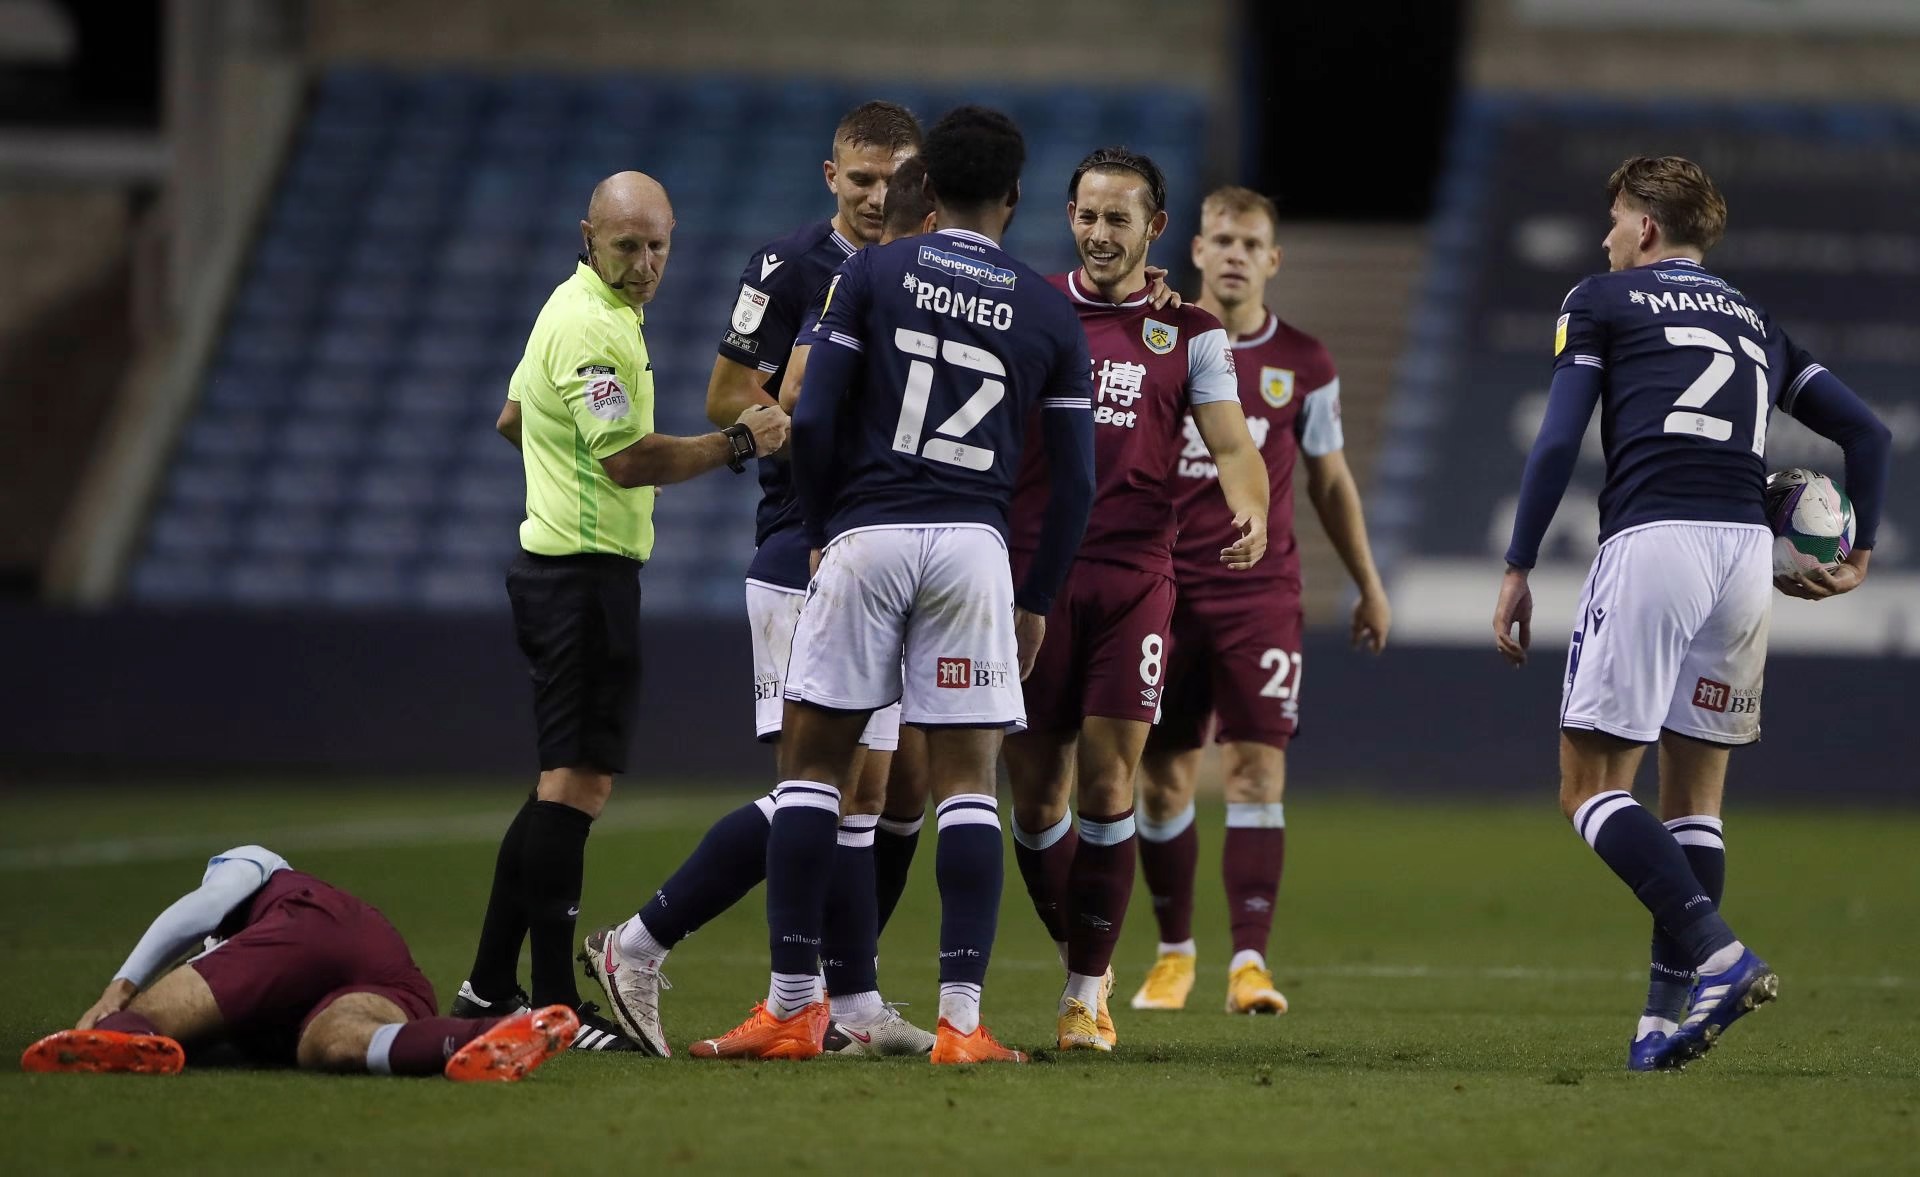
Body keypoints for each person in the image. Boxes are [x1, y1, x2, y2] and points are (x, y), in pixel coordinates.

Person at [688, 104, 1096, 1064]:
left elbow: (815, 415)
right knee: (964, 788)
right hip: (971, 547)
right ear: (1015, 197)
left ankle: (795, 1004)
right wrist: (1034, 599)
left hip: (865, 536)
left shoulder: (871, 271)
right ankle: (960, 1022)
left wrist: (824, 528)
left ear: (926, 187)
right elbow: (1075, 480)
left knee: (814, 776)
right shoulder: (1046, 308)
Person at [1492, 156, 1890, 1071]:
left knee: (1589, 787)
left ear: (1643, 228)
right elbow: (1870, 431)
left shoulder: (1602, 298)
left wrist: (1518, 563)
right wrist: (1859, 553)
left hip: (1655, 538)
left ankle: (1720, 953)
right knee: (1695, 802)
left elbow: (1559, 437)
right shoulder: (1758, 325)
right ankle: (1662, 1022)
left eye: (1614, 221)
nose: (1605, 238)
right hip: (1747, 556)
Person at [581, 161, 940, 1057]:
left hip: (878, 557)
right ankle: (638, 942)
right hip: (809, 549)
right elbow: (759, 394)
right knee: (815, 786)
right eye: (860, 178)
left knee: (863, 794)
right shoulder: (823, 275)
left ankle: (852, 1006)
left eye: (890, 184)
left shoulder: (906, 278)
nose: (874, 197)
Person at [451, 171, 790, 1054]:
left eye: (657, 246)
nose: (644, 265)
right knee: (577, 787)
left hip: (560, 571)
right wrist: (740, 441)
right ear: (587, 236)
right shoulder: (594, 327)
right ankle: (556, 1001)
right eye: (626, 246)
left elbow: (511, 416)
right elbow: (632, 462)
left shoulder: (570, 307)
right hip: (581, 580)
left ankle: (490, 986)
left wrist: (556, 464)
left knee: (556, 788)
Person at [1006, 148, 1270, 1053]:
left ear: (1156, 229)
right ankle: (1092, 948)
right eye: (1088, 215)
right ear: (1068, 216)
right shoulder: (1029, 307)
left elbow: (1233, 446)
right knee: (1037, 798)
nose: (1101, 233)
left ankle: (1085, 993)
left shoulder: (1190, 330)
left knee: (1111, 777)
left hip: (1135, 581)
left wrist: (1254, 505)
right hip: (1032, 578)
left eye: (1121, 219)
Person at [1128, 186, 1391, 1017]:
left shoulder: (1306, 363)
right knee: (1164, 782)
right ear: (1196, 251)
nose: (1235, 254)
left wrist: (1368, 581)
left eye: (1251, 243)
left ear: (1273, 260)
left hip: (1260, 595)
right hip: (1161, 590)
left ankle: (1250, 963)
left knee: (1255, 768)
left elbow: (1330, 479)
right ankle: (1174, 954)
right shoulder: (1157, 344)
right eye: (1222, 240)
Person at [20, 846, 577, 1082]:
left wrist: (120, 991)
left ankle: (110, 1040)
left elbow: (203, 908)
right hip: (383, 963)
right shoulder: (245, 985)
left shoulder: (255, 865)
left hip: (306, 922)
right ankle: (483, 1036)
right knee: (336, 1045)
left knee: (149, 1017)